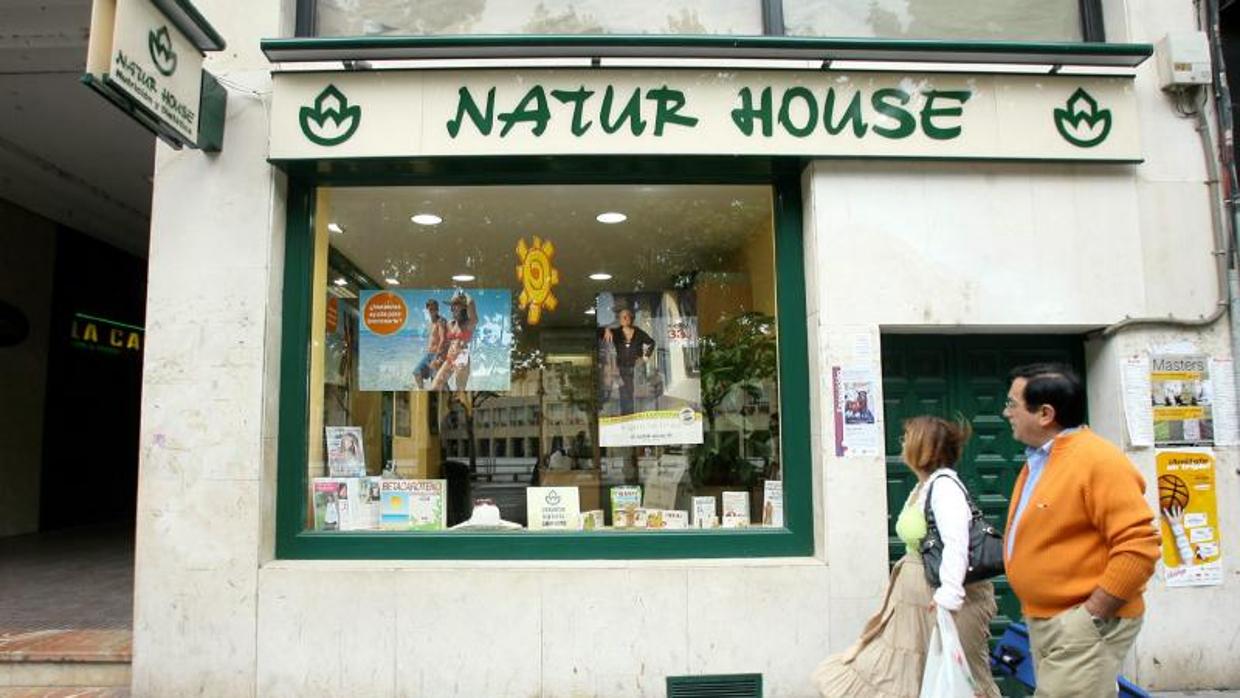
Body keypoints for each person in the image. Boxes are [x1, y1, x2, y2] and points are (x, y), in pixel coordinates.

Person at [812, 416, 1001, 698]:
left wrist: (948, 599)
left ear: (923, 448)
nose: (902, 444)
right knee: (906, 677)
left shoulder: (945, 487)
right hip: (914, 604)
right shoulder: (923, 486)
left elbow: (957, 543)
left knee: (960, 681)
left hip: (943, 602)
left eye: (907, 439)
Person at [1001, 363, 1159, 698]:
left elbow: (1139, 546)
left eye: (1013, 404)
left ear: (1045, 414)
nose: (1006, 413)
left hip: (1082, 622)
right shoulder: (1042, 460)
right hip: (1049, 621)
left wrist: (1091, 615)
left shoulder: (1097, 460)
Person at [602, 306, 656, 414]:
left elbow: (651, 343)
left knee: (636, 393)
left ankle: (636, 414)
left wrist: (645, 358)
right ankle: (626, 415)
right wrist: (606, 329)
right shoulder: (616, 332)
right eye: (622, 316)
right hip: (622, 369)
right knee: (624, 393)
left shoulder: (638, 333)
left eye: (627, 316)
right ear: (619, 319)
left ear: (631, 318)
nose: (625, 318)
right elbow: (600, 330)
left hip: (636, 369)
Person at [430, 292, 478, 392]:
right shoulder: (451, 324)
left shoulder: (469, 323)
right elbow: (446, 343)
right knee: (435, 386)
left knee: (459, 390)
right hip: (450, 358)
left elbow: (471, 302)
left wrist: (464, 294)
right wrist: (439, 358)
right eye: (452, 305)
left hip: (462, 358)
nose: (452, 307)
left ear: (463, 307)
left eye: (456, 304)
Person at [413, 298, 448, 389]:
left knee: (436, 381)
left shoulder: (440, 321)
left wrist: (437, 358)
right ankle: (422, 391)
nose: (433, 311)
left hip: (436, 355)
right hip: (429, 354)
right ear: (427, 309)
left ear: (438, 309)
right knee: (417, 372)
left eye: (435, 309)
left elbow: (443, 339)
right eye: (431, 309)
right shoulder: (431, 323)